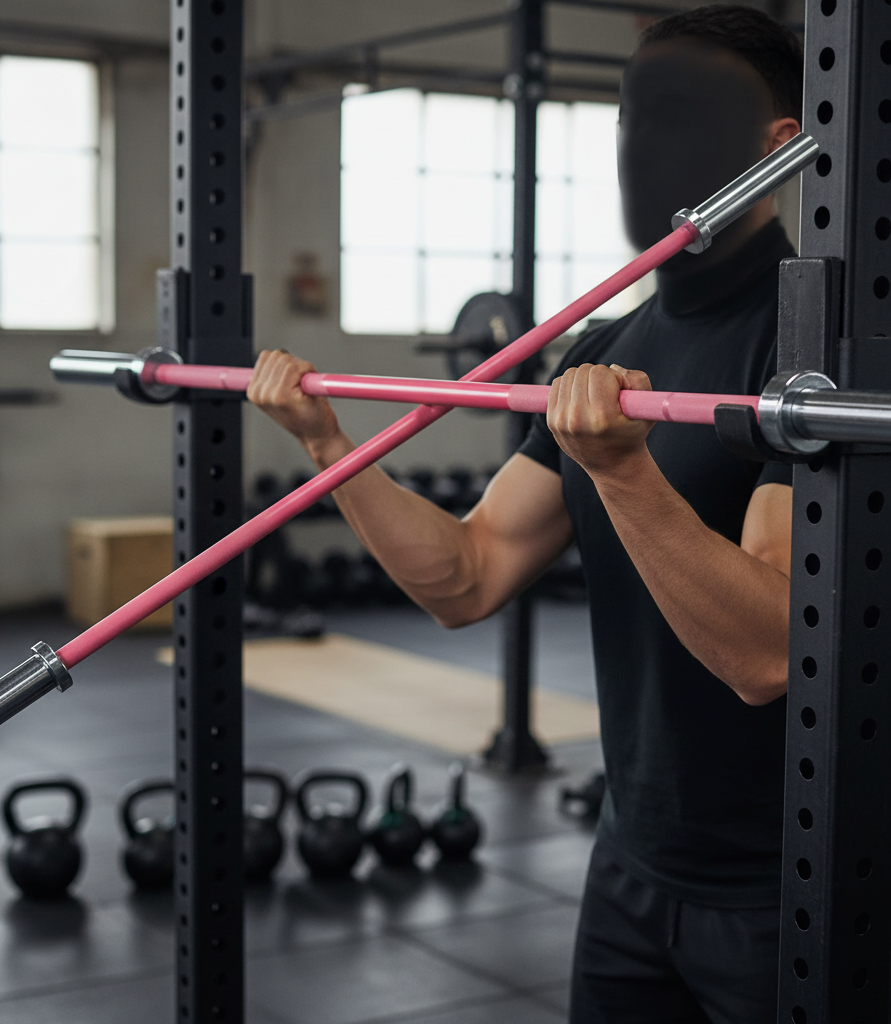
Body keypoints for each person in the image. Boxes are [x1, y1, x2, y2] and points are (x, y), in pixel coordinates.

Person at [248, 6, 803, 1022]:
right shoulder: (600, 344)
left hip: (787, 885)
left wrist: (625, 476)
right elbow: (468, 574)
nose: (643, 142)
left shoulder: (809, 350)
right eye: (632, 113)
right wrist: (330, 448)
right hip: (630, 864)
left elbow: (767, 652)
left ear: (777, 149)